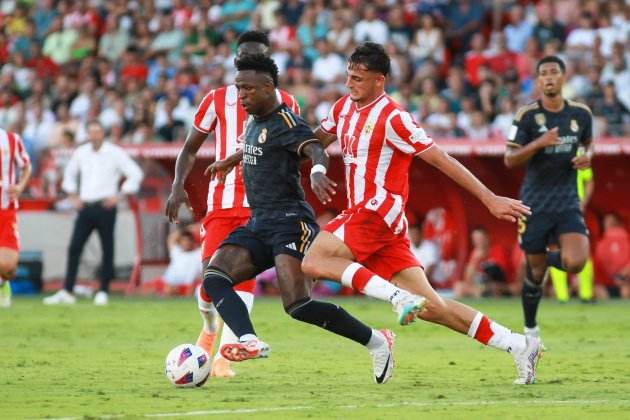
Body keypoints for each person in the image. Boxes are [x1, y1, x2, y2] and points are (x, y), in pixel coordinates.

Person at [300, 42, 541, 385]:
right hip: (374, 221)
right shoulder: (342, 108)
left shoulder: (394, 117)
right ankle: (519, 345)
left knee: (313, 261)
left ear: (379, 81)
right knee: (433, 308)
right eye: (348, 76)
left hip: (377, 212)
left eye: (357, 78)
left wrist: (489, 198)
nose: (349, 83)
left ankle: (395, 302)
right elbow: (314, 142)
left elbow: (441, 159)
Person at [200, 53, 426, 385]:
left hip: (291, 222)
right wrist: (229, 161)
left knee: (298, 305)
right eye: (238, 89)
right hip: (259, 222)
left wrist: (319, 171)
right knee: (214, 277)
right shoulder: (254, 121)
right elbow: (263, 150)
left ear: (267, 87)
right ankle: (248, 339)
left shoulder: (287, 122)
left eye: (247, 89)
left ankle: (377, 341)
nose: (242, 96)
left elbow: (314, 148)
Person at [165, 31, 301, 378]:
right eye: (243, 57)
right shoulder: (215, 100)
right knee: (211, 280)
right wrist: (178, 184)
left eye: (255, 57)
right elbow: (191, 147)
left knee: (243, 277)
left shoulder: (287, 102)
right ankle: (209, 329)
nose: (247, 62)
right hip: (222, 203)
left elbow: (292, 150)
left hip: (261, 206)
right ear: (235, 60)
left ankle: (227, 354)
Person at [504, 55, 593, 339]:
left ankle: (540, 259)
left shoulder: (581, 114)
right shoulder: (526, 116)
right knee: (536, 275)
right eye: (544, 74)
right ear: (539, 81)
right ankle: (530, 327)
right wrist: (539, 143)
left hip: (567, 199)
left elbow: (588, 144)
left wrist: (586, 157)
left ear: (563, 77)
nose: (550, 77)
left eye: (555, 72)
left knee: (576, 262)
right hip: (535, 202)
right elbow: (509, 159)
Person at [43, 120, 143, 306]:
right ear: (87, 135)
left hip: (106, 206)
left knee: (107, 249)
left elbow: (135, 173)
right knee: (74, 247)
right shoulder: (81, 153)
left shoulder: (114, 152)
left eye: (97, 132)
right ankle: (67, 290)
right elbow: (69, 175)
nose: (94, 136)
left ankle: (104, 290)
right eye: (91, 132)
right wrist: (72, 196)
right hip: (86, 206)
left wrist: (120, 195)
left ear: (102, 134)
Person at [549, 165, 595, 303]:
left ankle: (586, 295)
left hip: (574, 209)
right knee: (555, 249)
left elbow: (589, 180)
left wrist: (584, 202)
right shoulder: (546, 155)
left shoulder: (577, 153)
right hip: (552, 209)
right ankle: (562, 296)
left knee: (581, 249)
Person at [0, 128, 32, 308]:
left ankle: (3, 283)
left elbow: (27, 166)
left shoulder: (11, 139)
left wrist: (20, 187)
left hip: (5, 210)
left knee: (8, 267)